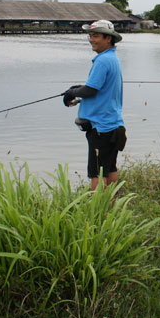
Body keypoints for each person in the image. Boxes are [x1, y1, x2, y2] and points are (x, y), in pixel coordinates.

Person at [62, 20, 126, 190]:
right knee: (110, 168)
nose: (91, 39)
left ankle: (98, 213)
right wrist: (77, 89)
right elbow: (97, 89)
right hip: (112, 124)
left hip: (100, 128)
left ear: (108, 39)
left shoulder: (102, 60)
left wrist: (71, 93)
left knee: (97, 173)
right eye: (90, 35)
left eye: (96, 35)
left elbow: (90, 90)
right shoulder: (112, 58)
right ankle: (112, 208)